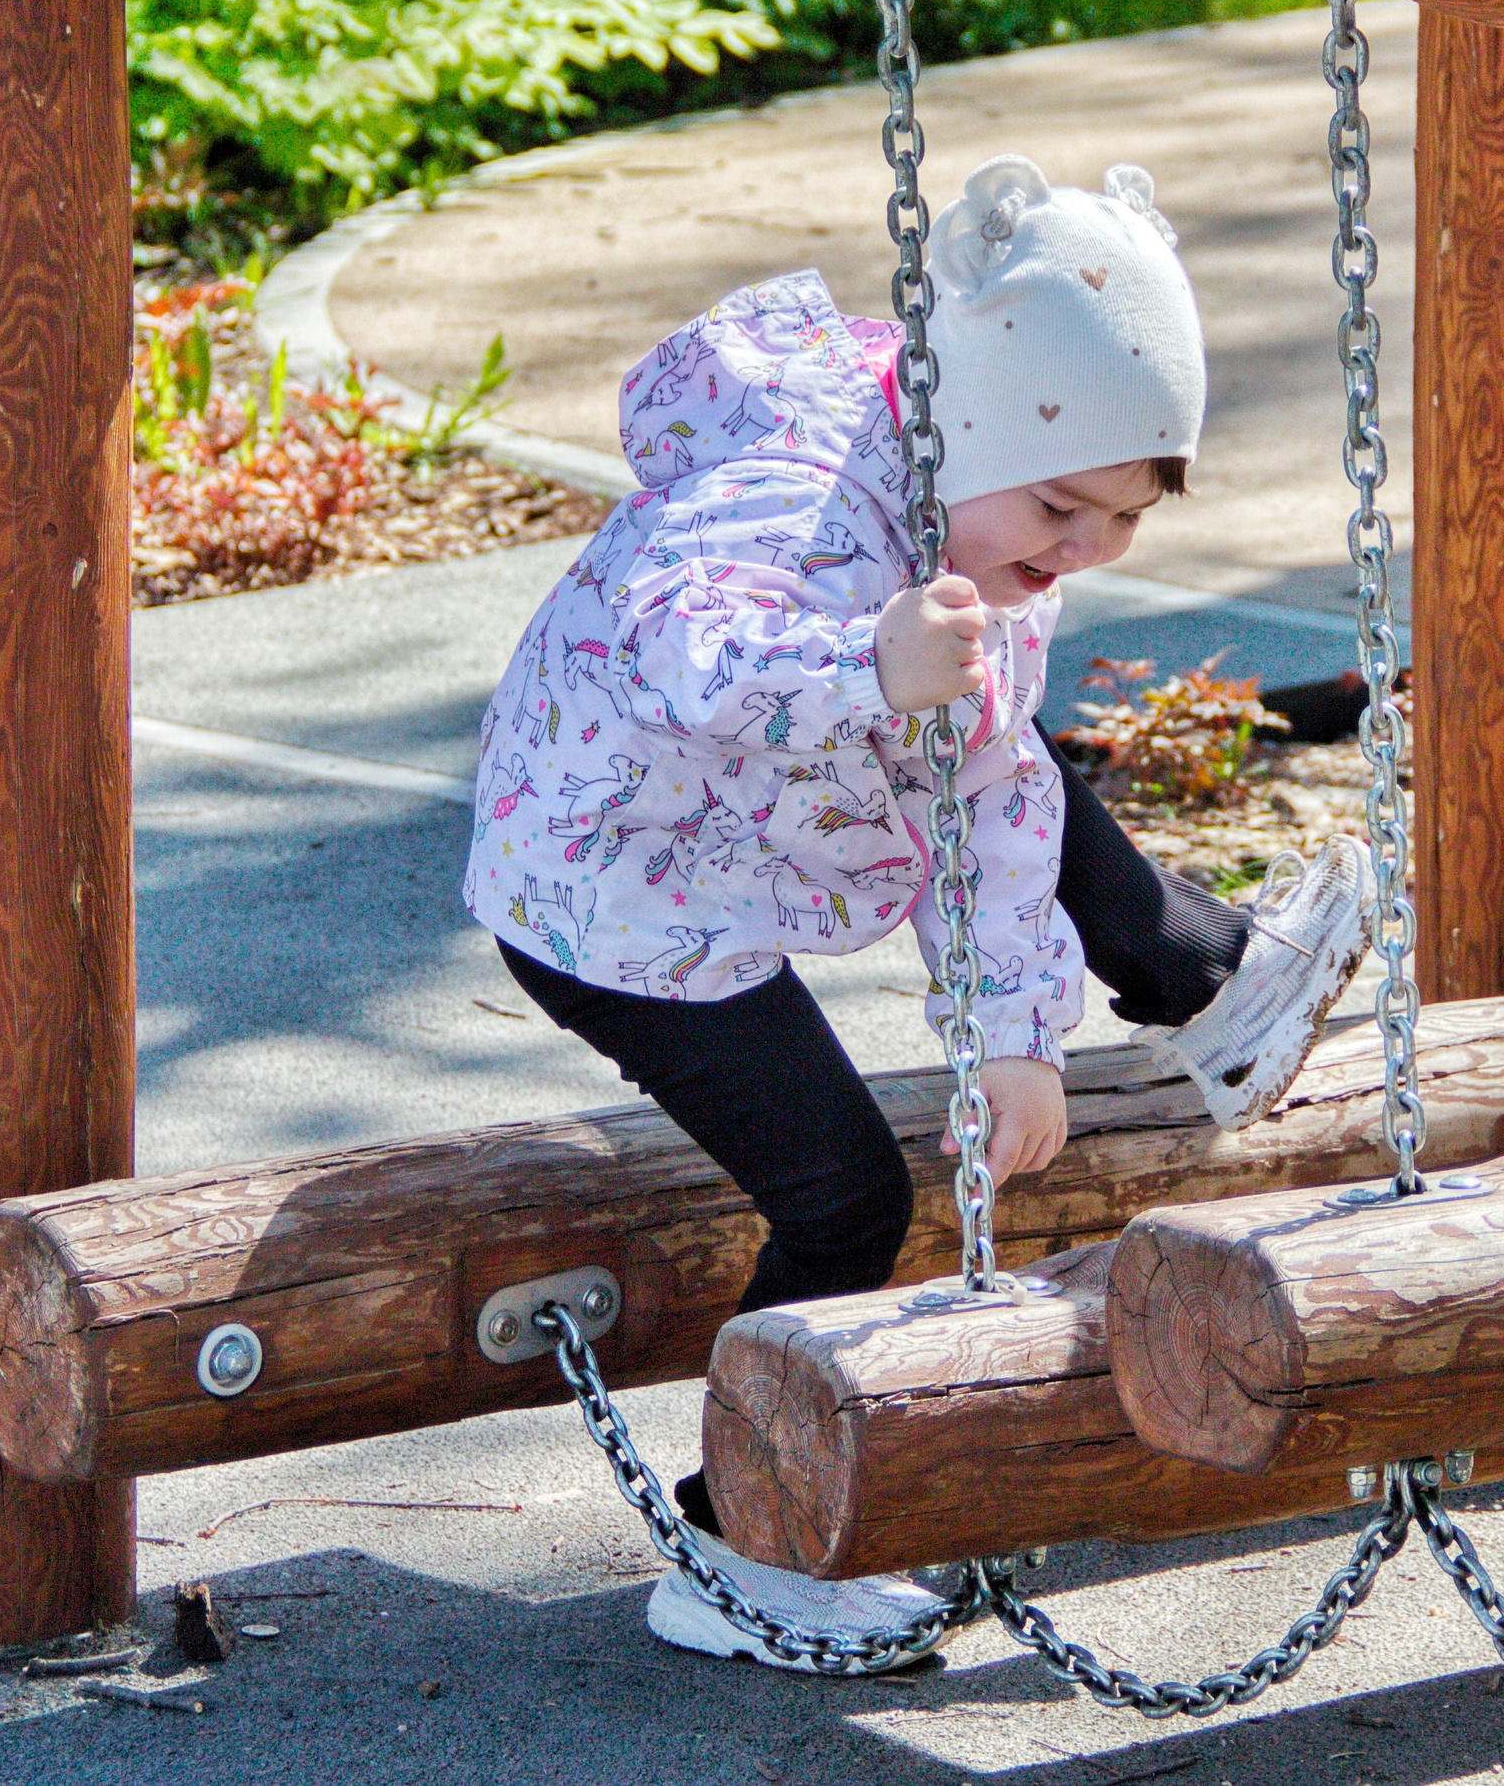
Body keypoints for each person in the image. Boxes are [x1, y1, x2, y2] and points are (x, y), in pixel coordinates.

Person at [465, 154, 1372, 1667]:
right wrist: (862, 666)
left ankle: (1206, 977)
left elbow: (996, 803)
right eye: (1062, 509)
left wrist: (1016, 1035)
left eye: (1121, 522)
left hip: (730, 849)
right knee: (844, 1195)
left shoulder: (983, 520)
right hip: (606, 890)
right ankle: (734, 1548)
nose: (1078, 553)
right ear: (968, 429)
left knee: (1019, 756)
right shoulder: (797, 500)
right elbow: (687, 648)